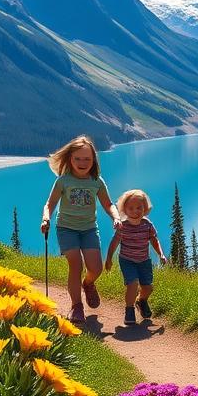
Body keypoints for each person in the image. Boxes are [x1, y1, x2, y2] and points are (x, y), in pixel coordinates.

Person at [41, 135, 122, 324]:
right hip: (66, 228)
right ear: (70, 159)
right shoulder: (63, 181)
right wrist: (46, 218)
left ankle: (88, 283)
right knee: (75, 265)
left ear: (93, 160)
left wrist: (116, 217)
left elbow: (108, 204)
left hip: (89, 229)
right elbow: (49, 204)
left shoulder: (96, 181)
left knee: (96, 268)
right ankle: (76, 306)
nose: (82, 162)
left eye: (87, 159)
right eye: (78, 158)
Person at [105, 189, 166, 325]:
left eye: (139, 207)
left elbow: (154, 240)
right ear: (124, 210)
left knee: (148, 287)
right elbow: (114, 242)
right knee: (132, 284)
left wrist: (160, 254)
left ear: (145, 208)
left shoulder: (147, 225)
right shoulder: (123, 226)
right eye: (131, 208)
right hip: (127, 260)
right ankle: (129, 309)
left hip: (144, 260)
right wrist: (109, 258)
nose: (135, 211)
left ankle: (141, 301)